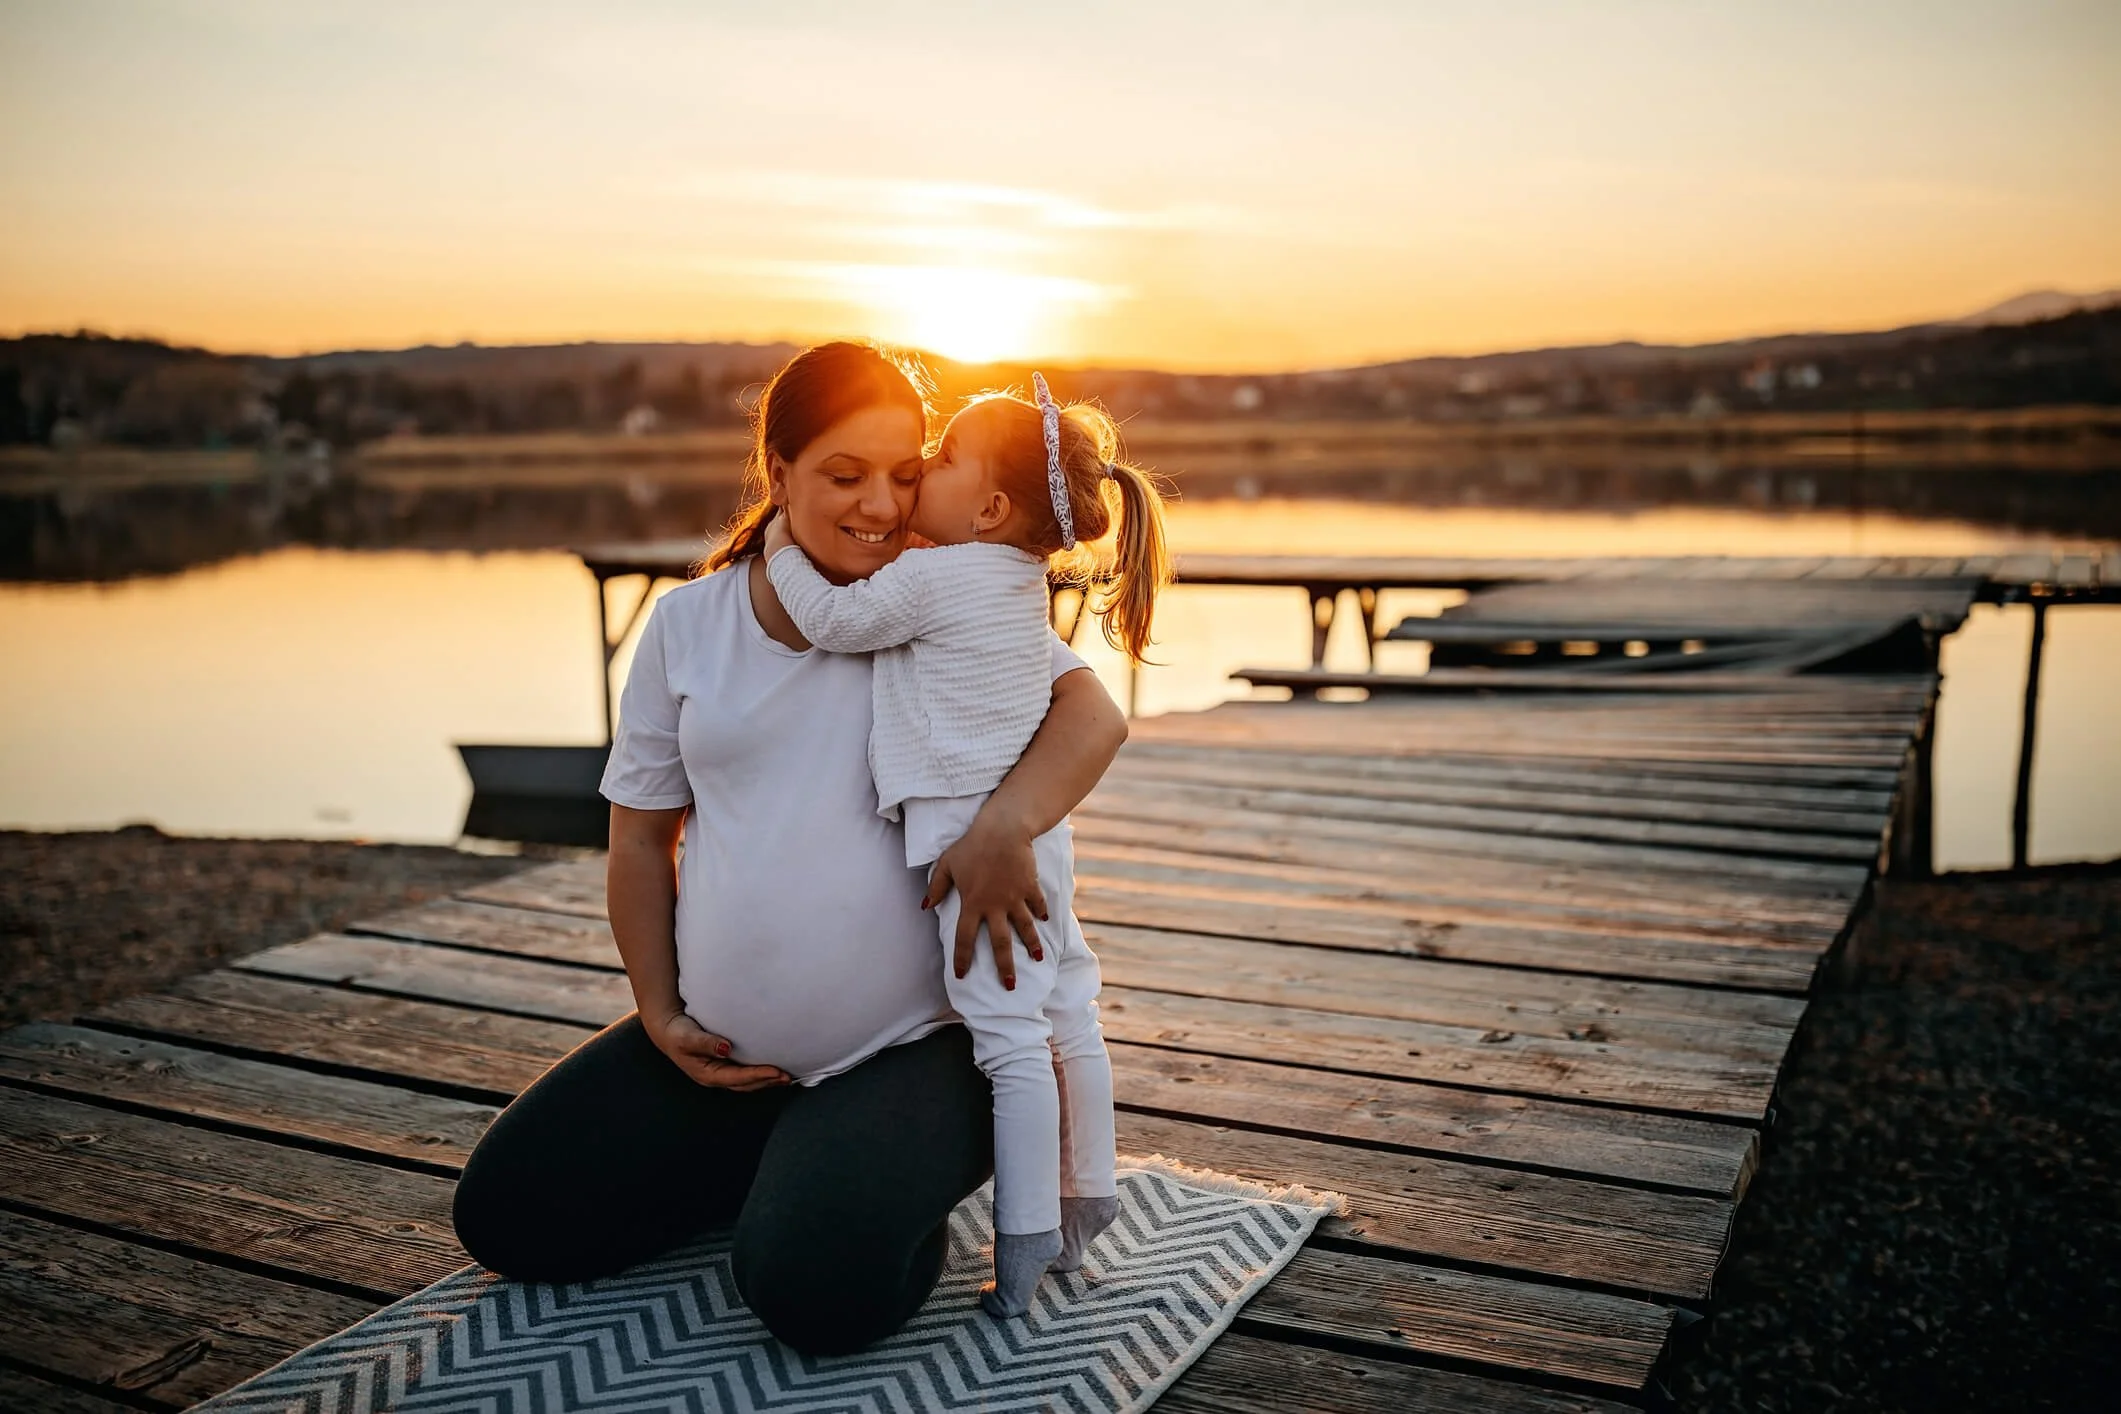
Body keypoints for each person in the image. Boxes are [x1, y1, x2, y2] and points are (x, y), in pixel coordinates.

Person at [449, 343, 1130, 1355]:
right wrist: (660, 1008)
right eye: (844, 476)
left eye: (908, 474)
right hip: (730, 1050)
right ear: (779, 476)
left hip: (919, 1046)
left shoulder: (937, 598)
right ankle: (791, 1157)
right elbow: (639, 840)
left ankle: (875, 1179)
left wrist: (1003, 826)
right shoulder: (688, 627)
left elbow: (1093, 713)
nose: (881, 505)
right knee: (509, 1216)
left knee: (815, 1292)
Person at [761, 371, 1171, 1317]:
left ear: (987, 506)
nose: (916, 486)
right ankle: (1086, 1198)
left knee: (1007, 1043)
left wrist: (784, 543)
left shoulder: (934, 577)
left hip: (962, 836)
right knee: (1070, 1011)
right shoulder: (1015, 581)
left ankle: (1022, 1243)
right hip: (1038, 834)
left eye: (938, 462)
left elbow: (832, 621)